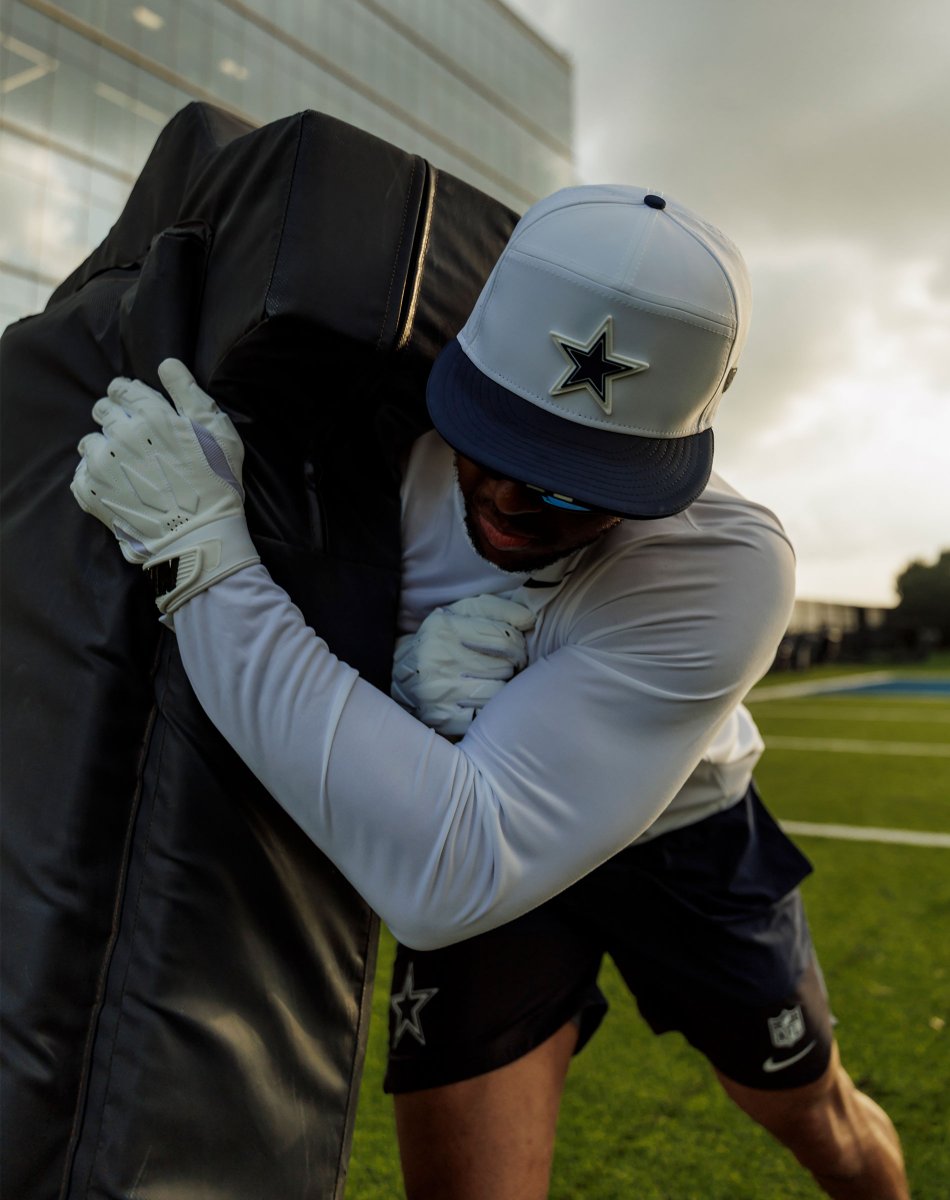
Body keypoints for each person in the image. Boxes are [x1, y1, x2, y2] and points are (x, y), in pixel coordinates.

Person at [70, 185, 908, 1199]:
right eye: (496, 440)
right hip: (476, 830)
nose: (513, 499)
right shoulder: (360, 440)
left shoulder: (724, 561)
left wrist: (202, 559)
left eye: (574, 482)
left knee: (814, 1119)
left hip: (679, 838)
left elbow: (443, 869)